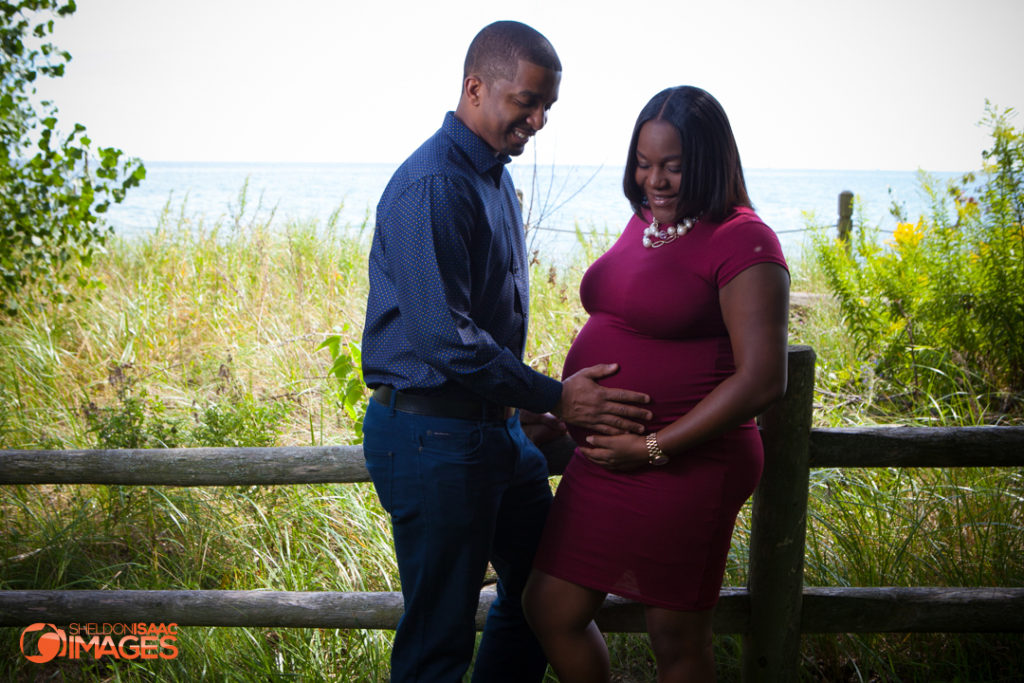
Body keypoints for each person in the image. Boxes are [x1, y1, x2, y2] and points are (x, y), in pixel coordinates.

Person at [359, 21, 652, 683]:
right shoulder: (434, 184)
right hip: (433, 434)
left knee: (544, 597)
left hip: (495, 432)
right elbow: (445, 341)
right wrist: (555, 394)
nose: (539, 119)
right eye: (527, 101)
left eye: (548, 106)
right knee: (438, 644)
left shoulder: (492, 176)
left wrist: (522, 411)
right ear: (475, 88)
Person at [522, 85, 791, 682]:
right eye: (643, 164)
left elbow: (764, 378)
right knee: (550, 605)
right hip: (606, 461)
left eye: (672, 166)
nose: (655, 181)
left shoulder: (744, 240)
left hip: (689, 464)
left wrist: (651, 446)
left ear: (710, 161)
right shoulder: (643, 223)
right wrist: (565, 411)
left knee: (675, 635)